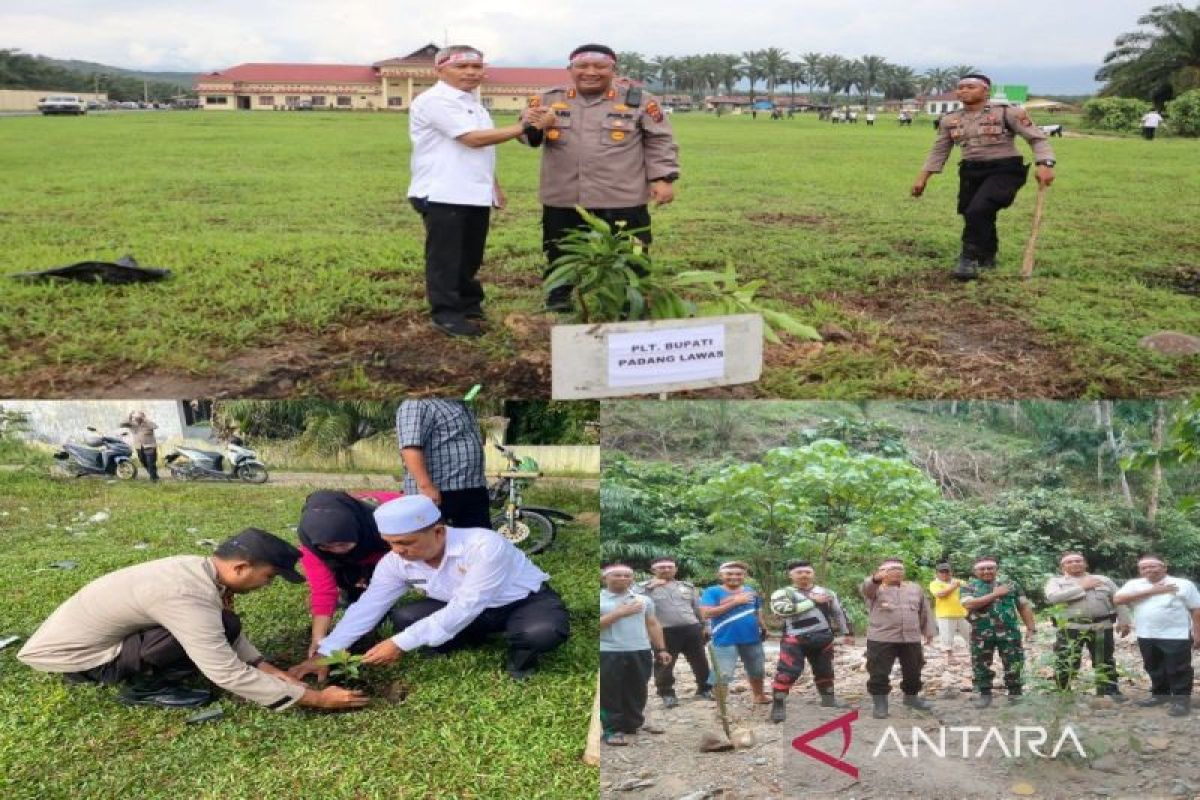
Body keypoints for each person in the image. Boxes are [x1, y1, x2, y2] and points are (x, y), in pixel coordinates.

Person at [18, 529, 367, 712]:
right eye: (269, 576)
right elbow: (225, 671)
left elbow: (220, 629)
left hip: (86, 640)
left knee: (224, 623)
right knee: (209, 631)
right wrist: (317, 700)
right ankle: (145, 688)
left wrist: (265, 665)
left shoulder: (197, 568)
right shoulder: (186, 594)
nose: (267, 585)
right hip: (80, 659)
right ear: (240, 568)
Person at [288, 495, 570, 682]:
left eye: (406, 543)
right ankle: (471, 637)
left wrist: (399, 643)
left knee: (541, 632)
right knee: (404, 618)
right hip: (463, 606)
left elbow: (466, 605)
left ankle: (522, 659)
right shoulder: (395, 561)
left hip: (521, 602)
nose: (398, 551)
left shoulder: (484, 546)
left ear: (438, 531)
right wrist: (328, 650)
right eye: (390, 543)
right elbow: (369, 606)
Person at [408, 45, 555, 336]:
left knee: (470, 254)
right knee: (446, 256)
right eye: (461, 67)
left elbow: (482, 151)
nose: (471, 73)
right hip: (442, 191)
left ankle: (469, 305)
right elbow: (473, 139)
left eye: (476, 67)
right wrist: (527, 126)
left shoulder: (473, 103)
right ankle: (447, 314)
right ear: (439, 70)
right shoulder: (435, 100)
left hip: (472, 191)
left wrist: (493, 186)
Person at [522, 44, 680, 312]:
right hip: (565, 195)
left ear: (613, 70)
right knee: (559, 246)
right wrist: (533, 125)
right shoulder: (547, 99)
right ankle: (559, 295)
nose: (591, 72)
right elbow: (527, 138)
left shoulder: (639, 100)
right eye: (582, 66)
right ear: (570, 70)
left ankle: (635, 294)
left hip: (622, 195)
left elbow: (660, 140)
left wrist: (663, 178)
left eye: (600, 67)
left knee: (635, 247)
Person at [911, 74, 1056, 280]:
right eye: (960, 87)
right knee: (975, 212)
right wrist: (922, 178)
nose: (963, 91)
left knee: (977, 210)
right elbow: (939, 150)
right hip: (971, 170)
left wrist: (1045, 163)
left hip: (1005, 170)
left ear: (986, 91)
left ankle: (968, 258)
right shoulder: (951, 119)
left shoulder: (1008, 113)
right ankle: (987, 256)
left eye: (970, 87)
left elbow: (1037, 139)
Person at [296, 489, 401, 657]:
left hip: (380, 546)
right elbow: (323, 591)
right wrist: (319, 638)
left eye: (343, 544)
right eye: (327, 547)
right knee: (356, 593)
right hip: (360, 556)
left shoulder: (390, 521)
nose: (337, 551)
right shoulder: (312, 546)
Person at [1114, 554, 1200, 716]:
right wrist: (1153, 591)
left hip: (1176, 634)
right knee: (1153, 666)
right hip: (1146, 633)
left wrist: (1197, 632)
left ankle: (1181, 701)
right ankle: (1160, 695)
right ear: (1140, 570)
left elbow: (1196, 608)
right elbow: (1118, 599)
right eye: (1143, 567)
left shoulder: (1183, 584)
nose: (1148, 570)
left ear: (1164, 567)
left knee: (1179, 669)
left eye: (1152, 566)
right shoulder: (1135, 584)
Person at [769, 561, 853, 723]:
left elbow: (839, 612)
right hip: (794, 639)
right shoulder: (782, 593)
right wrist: (813, 602)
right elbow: (781, 610)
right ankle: (778, 705)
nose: (804, 575)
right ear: (791, 575)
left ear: (813, 574)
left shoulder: (827, 592)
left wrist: (848, 632)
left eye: (807, 572)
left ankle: (828, 699)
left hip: (823, 637)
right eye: (799, 572)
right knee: (787, 673)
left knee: (825, 670)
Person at [600, 564, 672, 745]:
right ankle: (612, 729)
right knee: (610, 691)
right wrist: (619, 613)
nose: (623, 579)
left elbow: (652, 624)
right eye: (617, 575)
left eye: (627, 576)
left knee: (638, 688)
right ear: (605, 578)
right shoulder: (599, 599)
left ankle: (633, 723)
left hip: (640, 649)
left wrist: (661, 649)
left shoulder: (643, 600)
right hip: (608, 651)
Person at [1043, 552, 1131, 699]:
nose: (1074, 564)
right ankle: (1063, 692)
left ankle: (1109, 690)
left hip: (1102, 626)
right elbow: (1053, 598)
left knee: (1105, 660)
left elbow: (1118, 599)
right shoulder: (1056, 582)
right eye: (1069, 562)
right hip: (1070, 628)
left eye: (1078, 561)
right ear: (1062, 566)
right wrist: (1081, 587)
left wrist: (1124, 620)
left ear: (1085, 563)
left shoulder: (1103, 580)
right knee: (1067, 660)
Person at [396, 398, 490, 529]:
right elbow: (410, 448)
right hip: (440, 493)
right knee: (443, 545)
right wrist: (426, 486)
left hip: (471, 489)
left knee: (478, 543)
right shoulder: (417, 404)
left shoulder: (458, 404)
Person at [860, 558, 936, 718]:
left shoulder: (915, 588)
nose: (896, 571)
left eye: (900, 568)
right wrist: (874, 579)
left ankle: (911, 698)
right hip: (881, 638)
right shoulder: (875, 589)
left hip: (911, 638)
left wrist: (928, 631)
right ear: (881, 572)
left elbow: (924, 610)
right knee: (878, 672)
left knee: (914, 671)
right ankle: (880, 705)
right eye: (891, 568)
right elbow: (867, 588)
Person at [635, 557, 712, 708]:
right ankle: (667, 694)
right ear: (653, 570)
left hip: (691, 628)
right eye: (661, 567)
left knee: (700, 661)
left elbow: (697, 608)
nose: (666, 569)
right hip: (664, 632)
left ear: (676, 569)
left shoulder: (687, 587)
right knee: (664, 663)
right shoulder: (643, 588)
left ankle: (704, 689)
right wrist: (650, 587)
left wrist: (705, 625)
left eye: (670, 567)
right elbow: (630, 599)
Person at [960, 556, 1037, 708]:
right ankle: (985, 694)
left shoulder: (1012, 585)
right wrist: (995, 594)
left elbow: (1023, 606)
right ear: (975, 571)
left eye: (990, 568)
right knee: (981, 663)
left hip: (1009, 632)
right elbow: (969, 604)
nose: (987, 571)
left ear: (996, 569)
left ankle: (1015, 693)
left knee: (1014, 661)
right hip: (980, 633)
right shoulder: (969, 587)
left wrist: (1031, 627)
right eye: (982, 569)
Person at [700, 562, 769, 705]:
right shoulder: (712, 591)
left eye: (739, 574)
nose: (734, 577)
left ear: (745, 575)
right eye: (729, 574)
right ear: (720, 575)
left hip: (752, 638)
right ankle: (721, 707)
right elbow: (706, 613)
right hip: (724, 639)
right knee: (722, 674)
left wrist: (763, 627)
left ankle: (759, 696)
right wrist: (736, 601)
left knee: (757, 669)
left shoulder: (751, 591)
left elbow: (757, 611)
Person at [928, 562, 971, 665]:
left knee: (970, 634)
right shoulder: (934, 583)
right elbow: (940, 594)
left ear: (951, 572)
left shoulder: (960, 582)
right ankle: (949, 657)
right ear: (937, 573)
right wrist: (953, 586)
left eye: (946, 571)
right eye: (941, 572)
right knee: (946, 636)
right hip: (944, 614)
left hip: (963, 613)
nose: (944, 574)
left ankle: (973, 654)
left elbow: (970, 591)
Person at [125, 410, 159, 482]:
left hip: (150, 447)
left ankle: (153, 479)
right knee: (143, 462)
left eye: (139, 417)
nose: (137, 419)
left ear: (142, 417)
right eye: (136, 418)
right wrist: (130, 416)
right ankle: (154, 475)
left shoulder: (148, 424)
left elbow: (155, 426)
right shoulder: (133, 426)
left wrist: (145, 419)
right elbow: (122, 424)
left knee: (151, 463)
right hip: (139, 447)